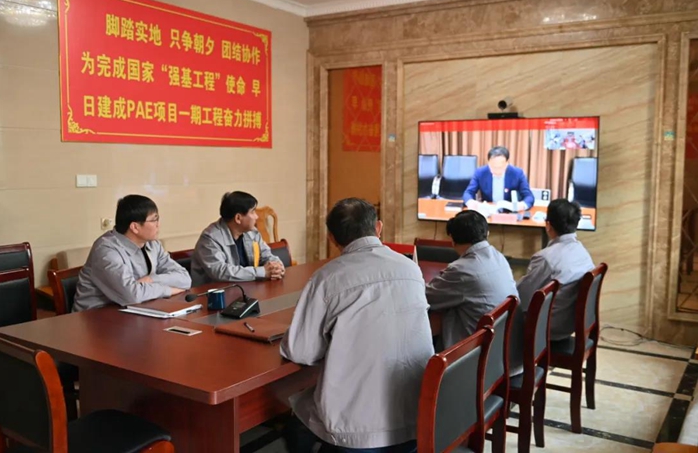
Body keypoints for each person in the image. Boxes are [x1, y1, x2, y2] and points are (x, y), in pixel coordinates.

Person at [281, 198, 433, 453]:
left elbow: (300, 352)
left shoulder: (327, 278)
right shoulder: (411, 269)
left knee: (293, 412)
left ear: (332, 238)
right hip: (416, 420)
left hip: (355, 432)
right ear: (378, 228)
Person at [73, 195, 191, 311]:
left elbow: (185, 279)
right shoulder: (106, 250)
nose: (158, 225)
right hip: (95, 316)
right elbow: (132, 295)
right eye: (154, 220)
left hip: (135, 310)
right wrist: (169, 290)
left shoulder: (153, 244)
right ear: (135, 227)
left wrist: (151, 279)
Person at [425, 210, 518, 349]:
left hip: (474, 352)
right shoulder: (499, 257)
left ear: (452, 239)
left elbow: (425, 297)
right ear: (487, 233)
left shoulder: (462, 270)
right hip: (502, 344)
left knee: (434, 316)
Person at [515, 199, 594, 340]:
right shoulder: (582, 252)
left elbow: (521, 297)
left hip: (546, 329)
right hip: (570, 324)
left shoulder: (545, 258)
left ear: (548, 225)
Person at [190, 191, 284, 286]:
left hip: (245, 288)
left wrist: (277, 267)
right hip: (215, 292)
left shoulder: (252, 232)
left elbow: (266, 255)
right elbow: (221, 272)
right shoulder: (210, 239)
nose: (256, 216)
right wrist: (261, 272)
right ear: (238, 218)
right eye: (253, 212)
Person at [463, 146, 535, 211]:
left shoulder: (517, 173)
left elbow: (529, 196)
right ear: (488, 163)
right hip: (488, 212)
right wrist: (471, 202)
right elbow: (468, 193)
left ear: (507, 163)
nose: (497, 171)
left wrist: (522, 205)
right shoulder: (480, 172)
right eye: (493, 167)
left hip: (509, 213)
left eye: (500, 167)